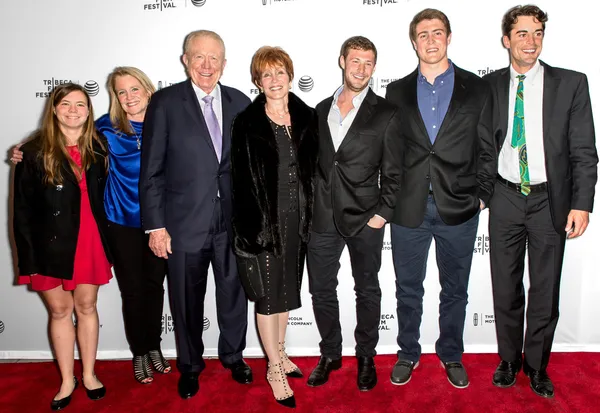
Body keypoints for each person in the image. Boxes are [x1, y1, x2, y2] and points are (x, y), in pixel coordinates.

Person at [12, 67, 171, 385]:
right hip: (118, 220)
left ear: (148, 90)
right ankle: (139, 351)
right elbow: (61, 136)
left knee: (155, 287)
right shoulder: (106, 129)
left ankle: (154, 347)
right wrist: (23, 150)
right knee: (133, 290)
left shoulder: (168, 123)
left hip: (159, 222)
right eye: (121, 92)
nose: (129, 97)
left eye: (134, 89)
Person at [484, 5, 597, 398]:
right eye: (521, 34)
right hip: (504, 196)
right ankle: (508, 360)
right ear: (506, 40)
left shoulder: (571, 83)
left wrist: (582, 204)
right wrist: (484, 194)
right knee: (505, 287)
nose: (530, 42)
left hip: (550, 200)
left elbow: (584, 150)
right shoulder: (491, 86)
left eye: (536, 34)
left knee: (545, 290)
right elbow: (480, 145)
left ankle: (536, 366)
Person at [385, 8, 496, 389]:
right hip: (408, 208)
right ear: (413, 41)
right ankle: (407, 353)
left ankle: (451, 353)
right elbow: (391, 151)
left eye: (437, 33)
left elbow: (488, 146)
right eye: (422, 34)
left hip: (460, 207)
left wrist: (482, 196)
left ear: (448, 37)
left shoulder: (477, 87)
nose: (430, 41)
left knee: (455, 290)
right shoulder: (395, 90)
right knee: (407, 288)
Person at [139, 30, 252, 400]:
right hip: (183, 223)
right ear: (185, 59)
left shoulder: (240, 101)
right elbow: (151, 169)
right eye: (199, 57)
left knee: (234, 293)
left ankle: (234, 356)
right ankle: (189, 366)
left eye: (214, 58)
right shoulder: (166, 102)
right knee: (186, 301)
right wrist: (156, 226)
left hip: (232, 222)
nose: (207, 65)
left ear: (224, 63)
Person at [306, 36, 402, 392]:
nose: (361, 69)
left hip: (366, 217)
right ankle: (330, 353)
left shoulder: (387, 112)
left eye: (368, 63)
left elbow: (394, 171)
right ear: (342, 61)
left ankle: (366, 355)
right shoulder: (319, 109)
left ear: (373, 68)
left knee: (367, 289)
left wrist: (383, 214)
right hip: (322, 218)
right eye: (355, 61)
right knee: (321, 289)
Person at [13, 83, 111, 410]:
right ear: (53, 109)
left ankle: (89, 374)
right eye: (65, 104)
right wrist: (27, 259)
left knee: (86, 307)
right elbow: (22, 211)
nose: (73, 110)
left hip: (89, 240)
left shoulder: (100, 146)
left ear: (89, 110)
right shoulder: (33, 151)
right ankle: (67, 379)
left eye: (80, 104)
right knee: (59, 310)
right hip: (48, 245)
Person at [230, 46, 318, 409]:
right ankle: (273, 368)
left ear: (290, 75)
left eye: (280, 72)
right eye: (267, 74)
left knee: (285, 294)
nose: (274, 80)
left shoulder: (307, 116)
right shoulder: (246, 123)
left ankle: (280, 354)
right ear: (257, 81)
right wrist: (252, 230)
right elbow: (238, 181)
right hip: (263, 223)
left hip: (297, 220)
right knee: (268, 297)